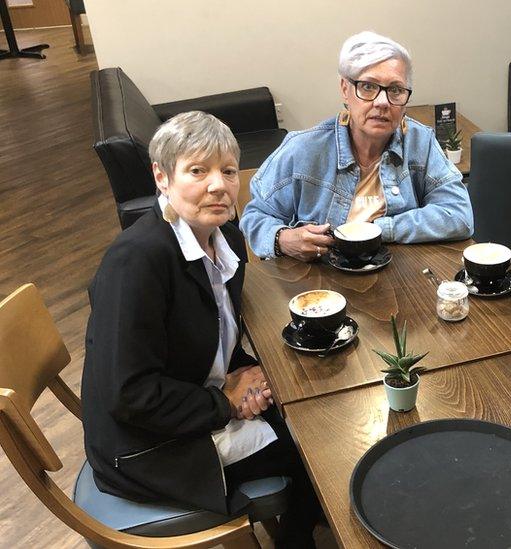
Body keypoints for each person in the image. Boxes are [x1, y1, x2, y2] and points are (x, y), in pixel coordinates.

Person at [82, 112, 321, 547]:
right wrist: (224, 403)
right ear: (161, 176)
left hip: (186, 399)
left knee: (308, 416)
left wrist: (244, 372)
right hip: (146, 446)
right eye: (197, 170)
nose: (219, 185)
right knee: (314, 452)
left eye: (228, 171)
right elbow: (128, 394)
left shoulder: (222, 236)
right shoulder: (136, 262)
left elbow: (212, 329)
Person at [241, 31, 473, 261]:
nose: (382, 102)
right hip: (321, 284)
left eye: (395, 90)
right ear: (345, 89)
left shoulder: (420, 142)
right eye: (368, 87)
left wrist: (380, 229)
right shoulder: (303, 149)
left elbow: (459, 215)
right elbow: (255, 215)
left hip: (402, 280)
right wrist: (282, 239)